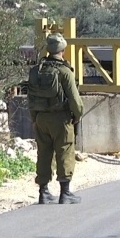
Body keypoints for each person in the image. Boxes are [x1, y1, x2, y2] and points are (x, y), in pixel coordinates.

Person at [27, 33, 84, 204]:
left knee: (43, 153)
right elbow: (75, 101)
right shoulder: (65, 71)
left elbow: (30, 97)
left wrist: (35, 118)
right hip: (60, 118)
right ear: (63, 51)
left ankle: (43, 192)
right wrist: (77, 116)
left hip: (41, 118)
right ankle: (65, 193)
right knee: (65, 151)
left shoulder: (36, 71)